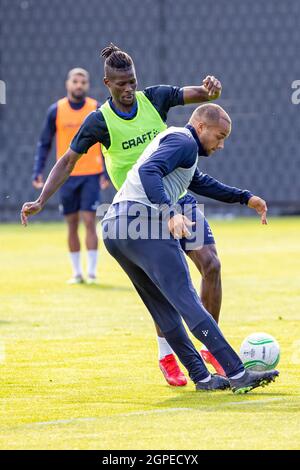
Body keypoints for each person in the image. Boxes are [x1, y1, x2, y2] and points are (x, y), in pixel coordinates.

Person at [21, 44, 264, 386]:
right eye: (120, 83)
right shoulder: (99, 120)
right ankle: (169, 351)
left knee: (211, 264)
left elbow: (200, 100)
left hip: (177, 199)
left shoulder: (155, 98)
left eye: (132, 80)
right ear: (107, 83)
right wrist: (42, 199)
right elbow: (68, 161)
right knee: (169, 285)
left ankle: (211, 351)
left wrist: (212, 91)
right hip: (139, 211)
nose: (128, 88)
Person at [100, 103, 279, 393]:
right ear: (201, 127)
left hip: (113, 228)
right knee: (187, 299)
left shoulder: (180, 148)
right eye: (219, 136)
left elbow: (201, 183)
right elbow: (149, 171)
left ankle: (203, 377)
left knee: (164, 308)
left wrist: (245, 198)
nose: (221, 145)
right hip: (141, 221)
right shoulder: (184, 142)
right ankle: (237, 372)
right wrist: (170, 212)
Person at [32, 67, 109, 284]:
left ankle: (92, 273)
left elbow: (106, 143)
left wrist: (105, 171)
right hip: (66, 176)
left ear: (88, 85)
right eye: (75, 81)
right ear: (68, 84)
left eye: (83, 81)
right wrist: (38, 170)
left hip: (91, 174)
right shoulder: (56, 110)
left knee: (89, 220)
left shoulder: (96, 109)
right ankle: (77, 272)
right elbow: (44, 143)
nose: (79, 85)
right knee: (72, 223)